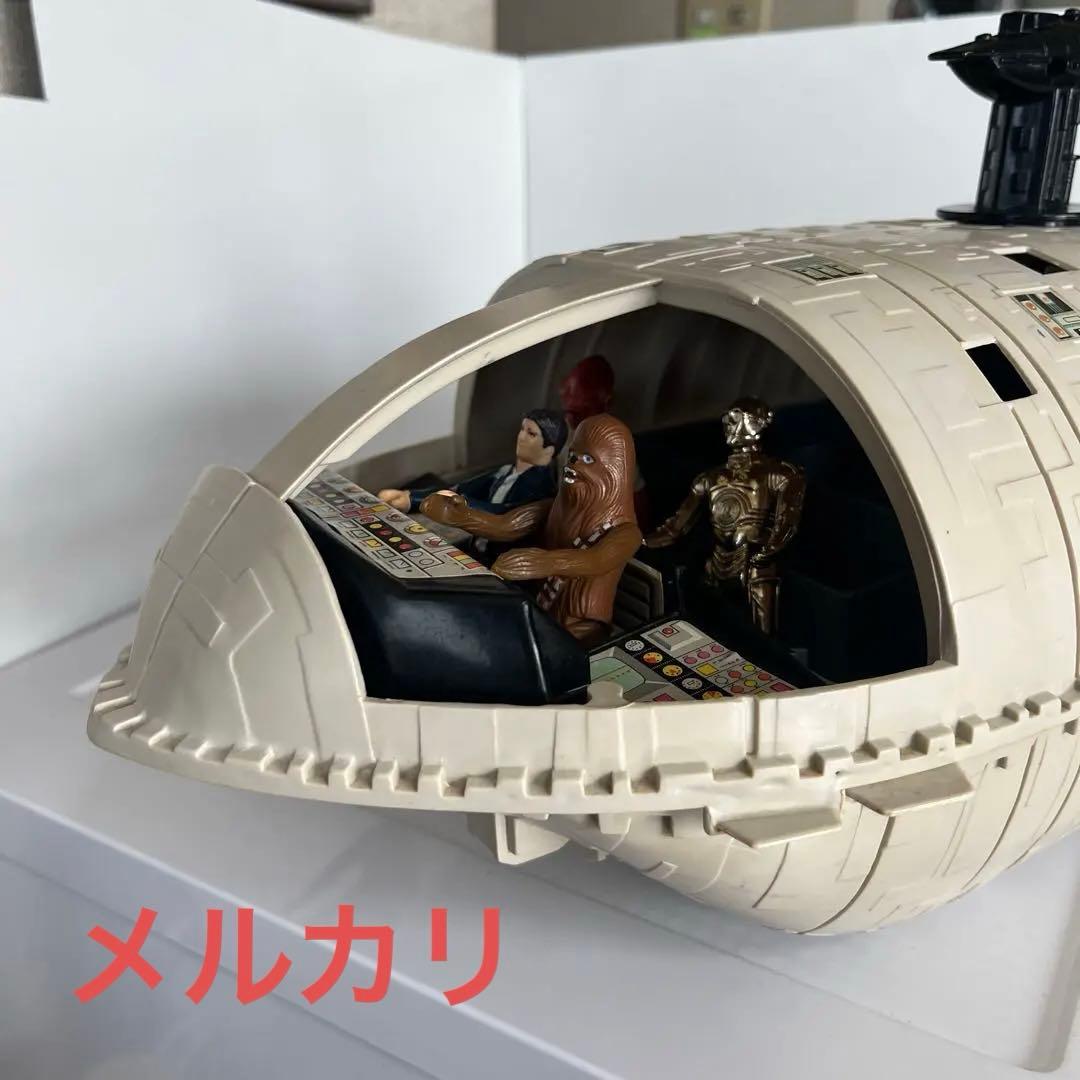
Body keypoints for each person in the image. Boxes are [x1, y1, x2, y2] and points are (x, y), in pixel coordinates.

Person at [422, 414, 641, 646]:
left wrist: (542, 562)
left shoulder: (626, 533)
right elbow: (506, 525)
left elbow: (595, 560)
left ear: (614, 471)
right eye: (573, 456)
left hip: (583, 627)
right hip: (540, 608)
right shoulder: (555, 507)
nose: (573, 464)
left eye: (588, 459)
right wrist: (461, 516)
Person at [378, 409, 567, 515]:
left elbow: (505, 515)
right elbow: (460, 489)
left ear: (549, 449)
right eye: (522, 429)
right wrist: (411, 498)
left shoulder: (542, 487)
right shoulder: (505, 471)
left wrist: (455, 503)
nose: (521, 437)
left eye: (531, 434)